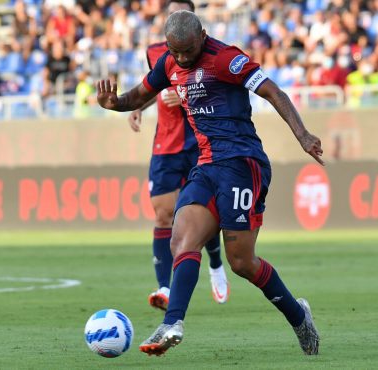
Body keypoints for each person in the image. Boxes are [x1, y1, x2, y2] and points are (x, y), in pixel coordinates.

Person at [97, 10, 323, 356]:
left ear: (202, 35)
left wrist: (303, 134)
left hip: (242, 164)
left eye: (188, 51)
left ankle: (298, 315)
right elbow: (139, 95)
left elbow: (273, 92)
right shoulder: (169, 63)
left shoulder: (226, 59)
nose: (183, 59)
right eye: (177, 52)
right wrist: (115, 104)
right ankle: (172, 322)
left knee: (242, 262)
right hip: (206, 165)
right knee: (182, 236)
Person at [126, 0, 230, 312]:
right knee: (163, 214)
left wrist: (186, 94)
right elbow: (154, 87)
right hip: (167, 143)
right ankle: (164, 287)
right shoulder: (156, 51)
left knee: (202, 211)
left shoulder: (211, 53)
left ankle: (214, 262)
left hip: (200, 141)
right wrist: (137, 107)